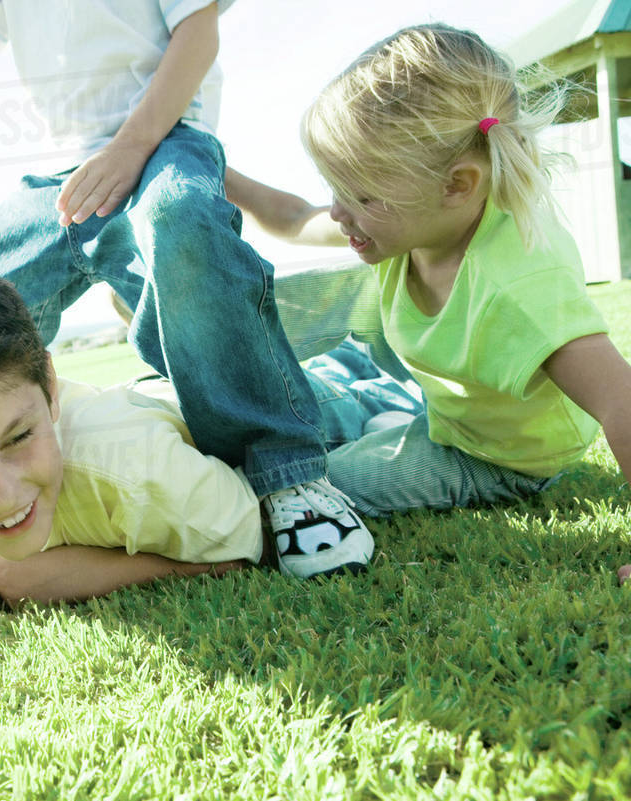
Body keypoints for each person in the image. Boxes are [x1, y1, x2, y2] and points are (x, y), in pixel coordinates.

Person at [0, 1, 373, 578]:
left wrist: (132, 146)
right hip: (66, 176)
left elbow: (198, 30)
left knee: (177, 216)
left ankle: (292, 476)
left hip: (165, 141)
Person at [222, 24, 631, 582]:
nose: (340, 212)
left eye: (361, 194)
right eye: (337, 188)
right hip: (445, 412)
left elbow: (621, 401)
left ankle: (378, 416)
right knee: (282, 371)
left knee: (309, 486)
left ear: (458, 185)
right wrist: (209, 164)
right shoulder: (406, 222)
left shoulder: (516, 289)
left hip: (499, 460)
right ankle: (378, 406)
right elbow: (294, 219)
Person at [0, 264, 276, 645]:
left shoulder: (135, 470)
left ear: (51, 386)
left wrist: (93, 573)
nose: (1, 497)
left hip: (284, 411)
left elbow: (260, 538)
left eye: (17, 438)